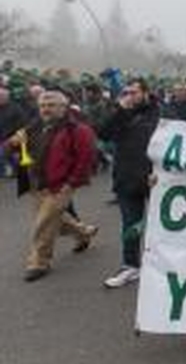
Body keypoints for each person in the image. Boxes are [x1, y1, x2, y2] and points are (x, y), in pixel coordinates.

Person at [4, 91, 98, 281]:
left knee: (43, 224)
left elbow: (85, 159)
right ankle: (84, 233)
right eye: (43, 106)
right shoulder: (34, 126)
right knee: (58, 220)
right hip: (37, 184)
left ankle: (39, 263)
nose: (46, 109)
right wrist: (12, 143)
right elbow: (9, 147)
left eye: (51, 105)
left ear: (64, 107)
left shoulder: (78, 129)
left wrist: (71, 183)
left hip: (61, 185)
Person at [98, 78, 160, 288]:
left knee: (162, 226)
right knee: (131, 226)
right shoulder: (121, 113)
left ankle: (165, 265)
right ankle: (130, 266)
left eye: (134, 92)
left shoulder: (162, 113)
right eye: (126, 92)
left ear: (146, 92)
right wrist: (120, 111)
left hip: (156, 181)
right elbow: (103, 133)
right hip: (127, 178)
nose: (129, 96)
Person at [0, 85, 27, 178]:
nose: (0, 98)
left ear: (7, 97)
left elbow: (22, 126)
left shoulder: (16, 109)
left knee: (2, 152)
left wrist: (14, 137)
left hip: (10, 138)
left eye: (2, 96)